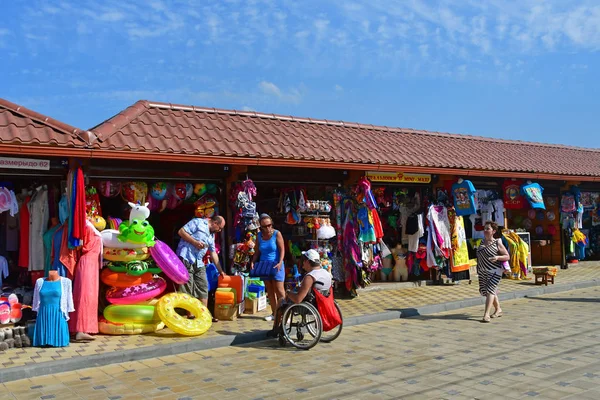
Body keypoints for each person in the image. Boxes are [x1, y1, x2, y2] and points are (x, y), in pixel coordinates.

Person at [176, 215, 226, 322]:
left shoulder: (212, 235)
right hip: (187, 257)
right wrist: (194, 242)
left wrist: (220, 270)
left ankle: (204, 314)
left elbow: (213, 253)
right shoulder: (197, 222)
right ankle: (190, 314)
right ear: (215, 223)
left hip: (199, 262)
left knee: (203, 286)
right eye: (220, 228)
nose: (220, 230)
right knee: (188, 286)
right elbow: (181, 232)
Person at [271, 249, 332, 334]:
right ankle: (280, 327)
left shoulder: (310, 277)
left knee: (282, 301)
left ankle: (276, 329)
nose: (302, 264)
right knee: (287, 301)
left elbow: (298, 299)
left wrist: (288, 292)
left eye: (303, 261)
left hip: (308, 305)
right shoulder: (326, 273)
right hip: (321, 302)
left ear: (307, 262)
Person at [250, 214, 285, 331]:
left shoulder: (277, 234)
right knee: (270, 291)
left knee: (279, 290)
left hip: (276, 265)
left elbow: (282, 249)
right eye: (265, 226)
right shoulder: (259, 236)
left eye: (270, 225)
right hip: (265, 266)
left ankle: (285, 313)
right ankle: (274, 314)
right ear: (261, 227)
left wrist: (280, 262)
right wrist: (253, 262)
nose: (268, 228)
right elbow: (257, 251)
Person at [476, 221, 510, 323]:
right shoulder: (481, 242)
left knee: (490, 290)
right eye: (485, 228)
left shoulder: (497, 242)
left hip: (495, 271)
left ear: (493, 231)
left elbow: (507, 256)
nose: (485, 230)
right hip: (483, 271)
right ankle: (498, 309)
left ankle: (486, 314)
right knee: (486, 291)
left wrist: (498, 257)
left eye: (488, 229)